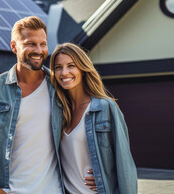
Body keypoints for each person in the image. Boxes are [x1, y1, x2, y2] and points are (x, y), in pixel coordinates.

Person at [0, 16, 64, 194]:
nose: (39, 50)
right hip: (8, 190)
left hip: (54, 190)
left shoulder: (60, 86)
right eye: (31, 44)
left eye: (43, 44)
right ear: (14, 46)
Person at [50, 43, 137, 193]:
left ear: (82, 69)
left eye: (71, 65)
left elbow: (124, 166)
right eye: (58, 67)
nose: (64, 72)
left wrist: (104, 176)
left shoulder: (105, 107)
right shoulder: (58, 113)